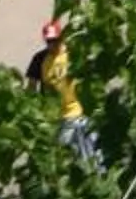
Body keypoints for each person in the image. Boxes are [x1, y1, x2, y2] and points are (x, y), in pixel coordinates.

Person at [26, 15, 100, 164]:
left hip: (77, 110)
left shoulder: (73, 54)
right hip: (55, 117)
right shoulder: (39, 59)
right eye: (49, 42)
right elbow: (31, 88)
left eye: (55, 41)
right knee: (64, 158)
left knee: (91, 154)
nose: (52, 45)